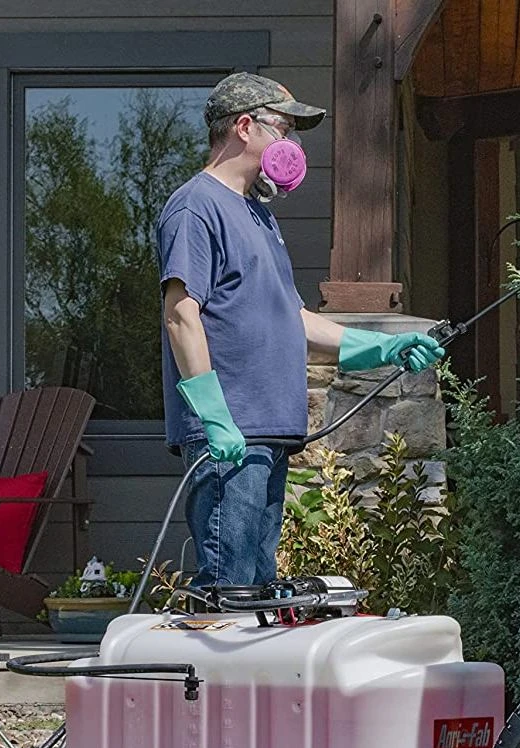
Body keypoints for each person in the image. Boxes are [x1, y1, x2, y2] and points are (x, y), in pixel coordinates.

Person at [156, 71, 444, 590]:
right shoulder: (195, 207)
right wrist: (214, 416)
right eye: (283, 130)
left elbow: (292, 321)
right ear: (244, 127)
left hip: (268, 432)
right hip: (232, 434)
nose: (290, 145)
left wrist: (385, 346)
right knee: (229, 588)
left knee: (258, 591)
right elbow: (181, 313)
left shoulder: (259, 218)